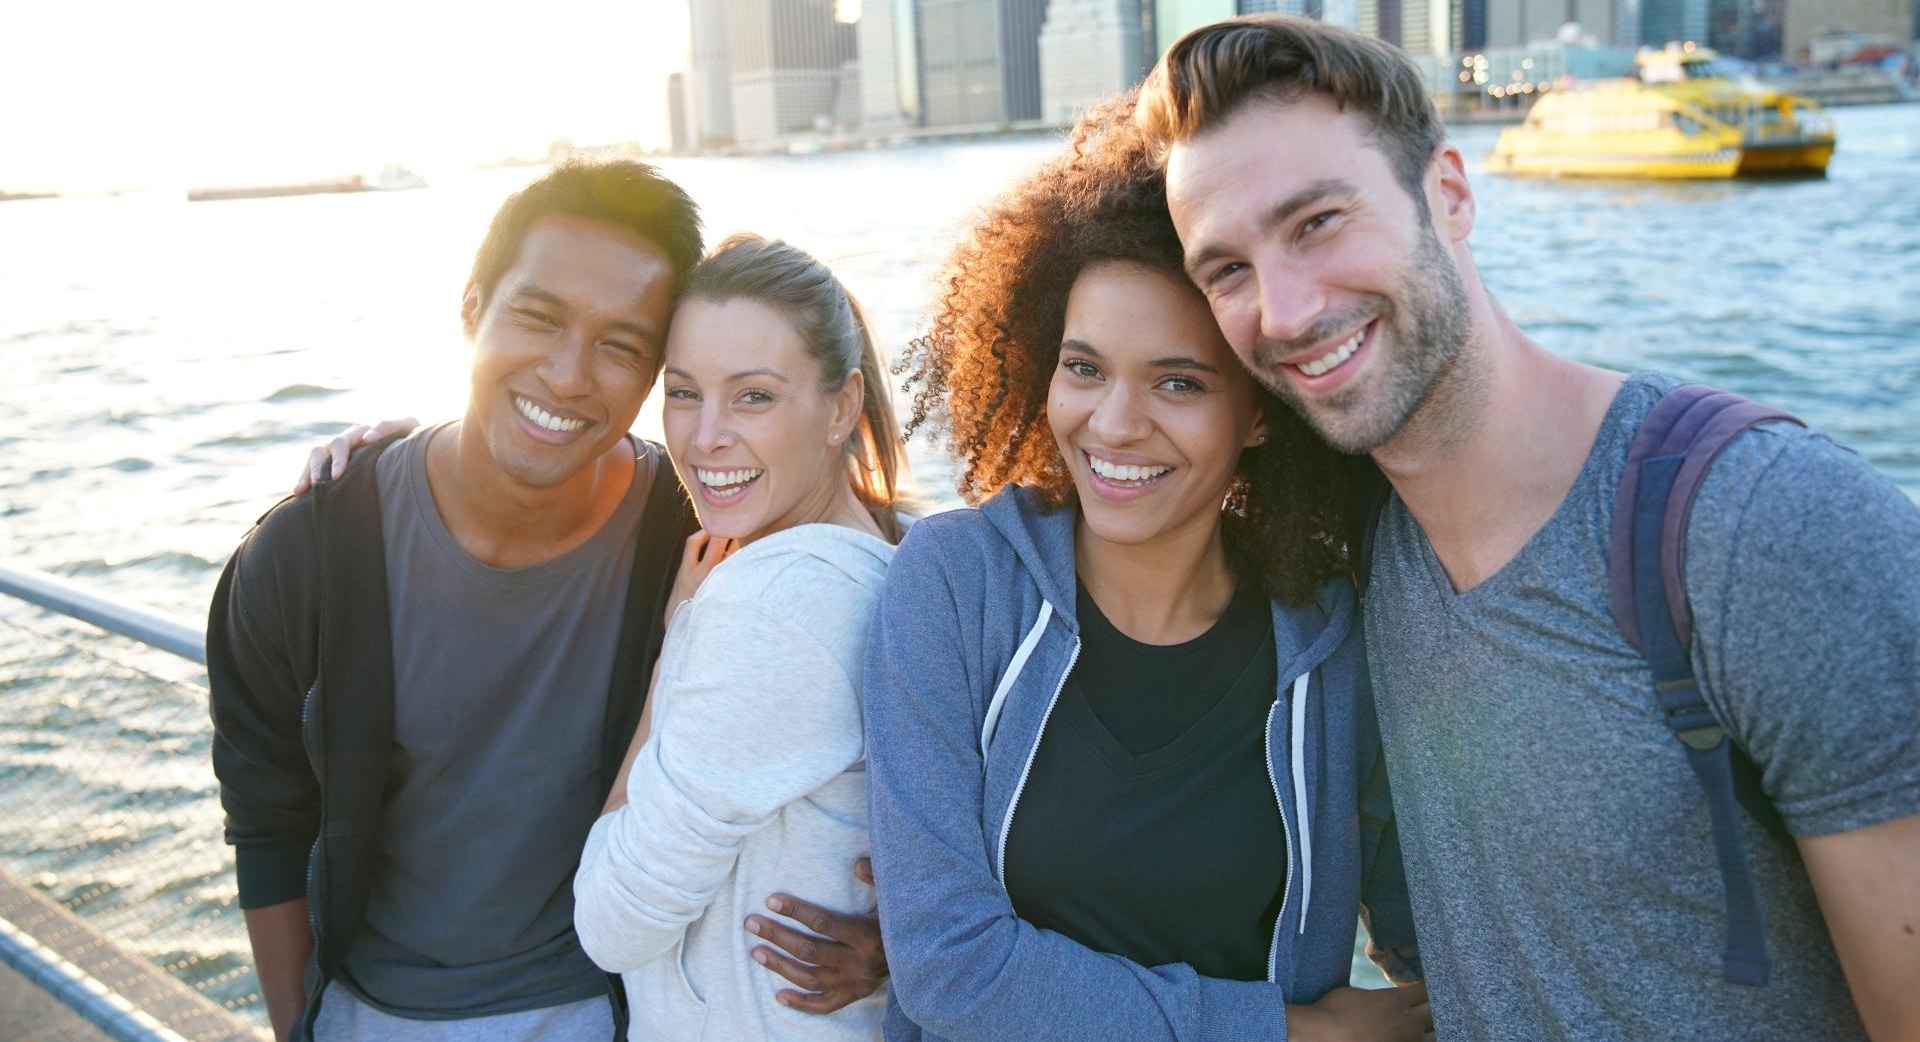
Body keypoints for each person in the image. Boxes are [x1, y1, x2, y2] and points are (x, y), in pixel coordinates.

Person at [1136, 16, 1920, 1040]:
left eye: (1319, 221)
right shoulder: (1361, 558)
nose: (1282, 311)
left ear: (1450, 195)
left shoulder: (1761, 526)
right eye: (1227, 270)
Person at [209, 163, 886, 1042]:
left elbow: (871, 563)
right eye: (538, 318)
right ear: (471, 308)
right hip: (370, 1015)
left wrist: (906, 946)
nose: (568, 375)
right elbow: (268, 823)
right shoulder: (308, 555)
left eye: (621, 346)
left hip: (604, 1012)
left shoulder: (699, 531)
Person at [863, 101, 1429, 1042]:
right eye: (1084, 368)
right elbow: (950, 963)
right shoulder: (957, 584)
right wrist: (1284, 1032)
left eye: (1179, 382)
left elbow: (1424, 932)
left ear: (1259, 412)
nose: (1115, 424)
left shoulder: (1332, 640)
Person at [572, 234, 908, 1042]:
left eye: (753, 396)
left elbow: (610, 924)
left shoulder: (766, 607)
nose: (703, 436)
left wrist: (679, 636)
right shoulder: (890, 553)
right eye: (683, 392)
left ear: (841, 406)